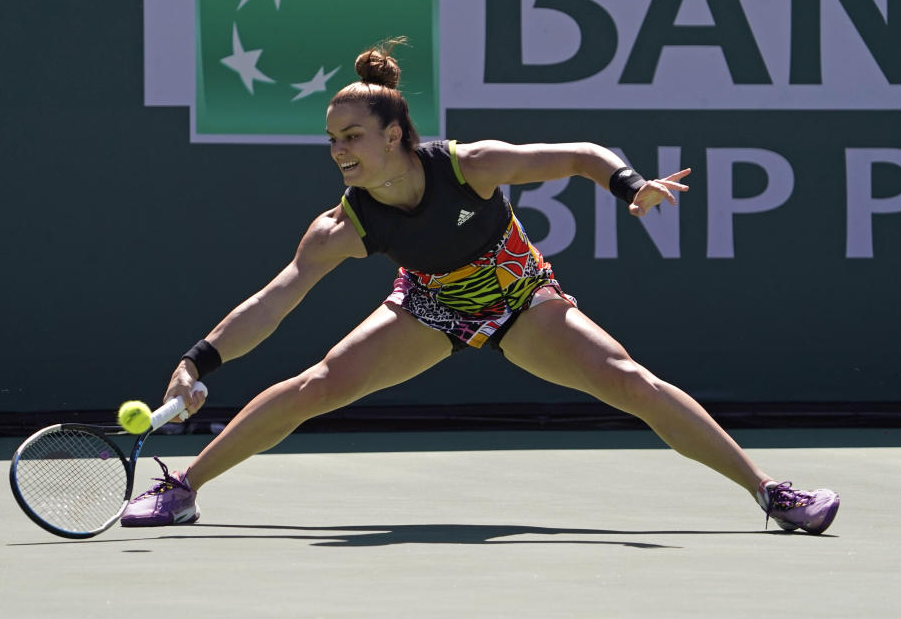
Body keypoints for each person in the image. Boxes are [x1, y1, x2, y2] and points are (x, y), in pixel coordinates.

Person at [121, 38, 839, 534]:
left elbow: (583, 155)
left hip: (521, 296)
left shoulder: (472, 166)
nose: (338, 150)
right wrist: (199, 360)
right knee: (316, 386)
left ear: (396, 135)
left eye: (352, 136)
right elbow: (274, 301)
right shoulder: (341, 226)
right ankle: (182, 489)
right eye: (332, 139)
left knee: (630, 382)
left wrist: (628, 187)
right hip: (429, 306)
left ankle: (771, 493)